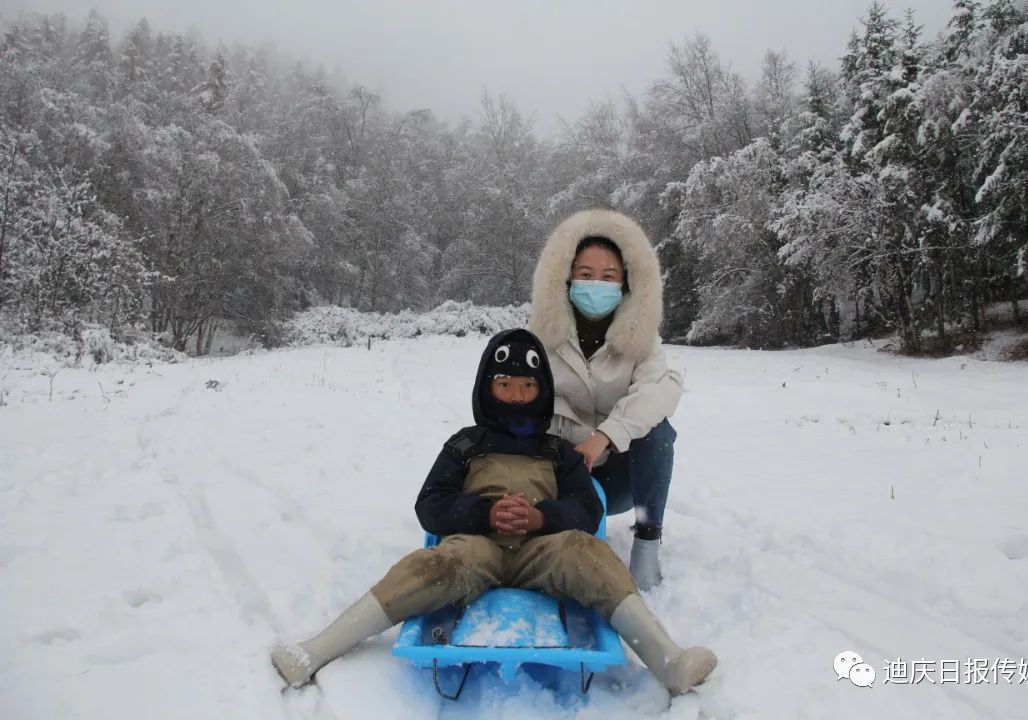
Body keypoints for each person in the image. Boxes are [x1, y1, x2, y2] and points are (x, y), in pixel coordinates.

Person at [270, 329, 716, 695]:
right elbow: (431, 505)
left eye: (527, 387)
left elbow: (587, 509)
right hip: (476, 548)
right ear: (488, 387)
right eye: (505, 385)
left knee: (590, 554)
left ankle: (668, 659)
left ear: (543, 391)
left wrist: (541, 519)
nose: (517, 397)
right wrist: (484, 514)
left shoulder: (558, 450)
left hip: (544, 551)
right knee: (430, 566)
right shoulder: (464, 444)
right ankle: (316, 650)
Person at [529, 209, 682, 590]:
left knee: (658, 433)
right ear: (566, 277)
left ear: (626, 282)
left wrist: (606, 436)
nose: (596, 284)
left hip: (619, 477)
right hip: (559, 474)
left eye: (608, 276)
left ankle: (647, 544)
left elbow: (658, 391)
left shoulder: (644, 341)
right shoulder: (538, 340)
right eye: (585, 274)